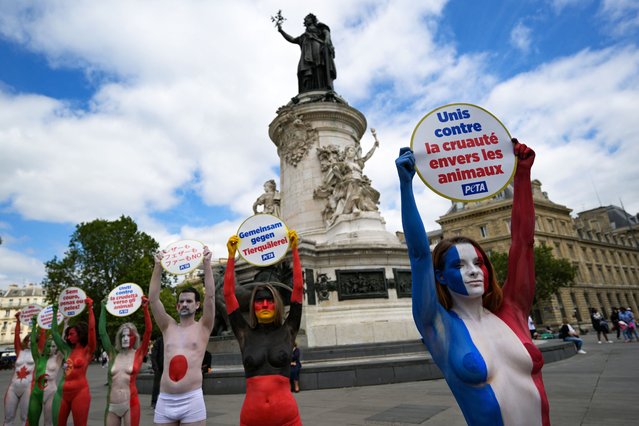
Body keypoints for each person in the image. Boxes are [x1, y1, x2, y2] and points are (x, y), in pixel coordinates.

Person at [396, 140, 550, 425]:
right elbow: (418, 255)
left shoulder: (513, 311)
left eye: (478, 263)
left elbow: (523, 243)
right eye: (459, 265)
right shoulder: (438, 326)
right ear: (440, 276)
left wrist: (522, 174)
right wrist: (406, 186)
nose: (474, 271)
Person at [224, 229, 303, 426]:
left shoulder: (288, 330)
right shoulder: (244, 333)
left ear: (276, 304)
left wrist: (295, 251)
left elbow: (299, 290)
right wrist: (231, 256)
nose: (265, 304)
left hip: (288, 419)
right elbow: (228, 295)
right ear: (253, 306)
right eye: (259, 301)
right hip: (252, 419)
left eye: (269, 300)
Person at [149, 246, 215, 426]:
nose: (184, 304)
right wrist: (158, 267)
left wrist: (207, 264)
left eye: (189, 301)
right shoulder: (167, 326)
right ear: (177, 306)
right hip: (165, 399)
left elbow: (210, 296)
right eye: (181, 302)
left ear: (197, 305)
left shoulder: (203, 327)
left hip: (191, 399)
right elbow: (153, 300)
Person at [99, 296, 152, 426]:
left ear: (135, 337)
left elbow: (148, 331)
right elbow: (102, 333)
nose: (125, 338)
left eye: (129, 335)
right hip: (111, 405)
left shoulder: (138, 354)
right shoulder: (112, 353)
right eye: (123, 335)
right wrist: (103, 309)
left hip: (131, 404)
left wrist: (145, 310)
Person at [51, 298, 96, 426]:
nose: (68, 337)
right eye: (68, 335)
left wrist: (90, 309)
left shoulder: (88, 350)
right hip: (61, 394)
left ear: (80, 334)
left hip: (80, 393)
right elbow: (54, 333)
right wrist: (55, 312)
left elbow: (92, 330)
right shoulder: (66, 350)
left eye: (71, 334)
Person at [277, 13, 336, 93]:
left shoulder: (319, 27)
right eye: (305, 19)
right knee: (305, 69)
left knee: (319, 66)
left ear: (312, 19)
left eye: (307, 18)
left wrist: (327, 39)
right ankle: (310, 88)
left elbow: (327, 33)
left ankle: (322, 86)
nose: (305, 20)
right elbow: (292, 39)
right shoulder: (304, 36)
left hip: (317, 48)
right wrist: (281, 31)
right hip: (307, 54)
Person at [4, 312, 34, 426]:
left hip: (28, 387)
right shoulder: (19, 351)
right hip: (13, 387)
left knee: (25, 418)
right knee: (8, 418)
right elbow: (16, 336)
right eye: (28, 340)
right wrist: (18, 321)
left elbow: (43, 336)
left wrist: (39, 322)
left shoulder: (37, 353)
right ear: (25, 341)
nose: (30, 342)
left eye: (33, 340)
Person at [150, 335, 164, 409]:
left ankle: (156, 402)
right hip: (159, 367)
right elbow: (154, 355)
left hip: (166, 367)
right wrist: (155, 367)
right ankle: (154, 402)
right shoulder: (159, 341)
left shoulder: (170, 339)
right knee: (157, 385)